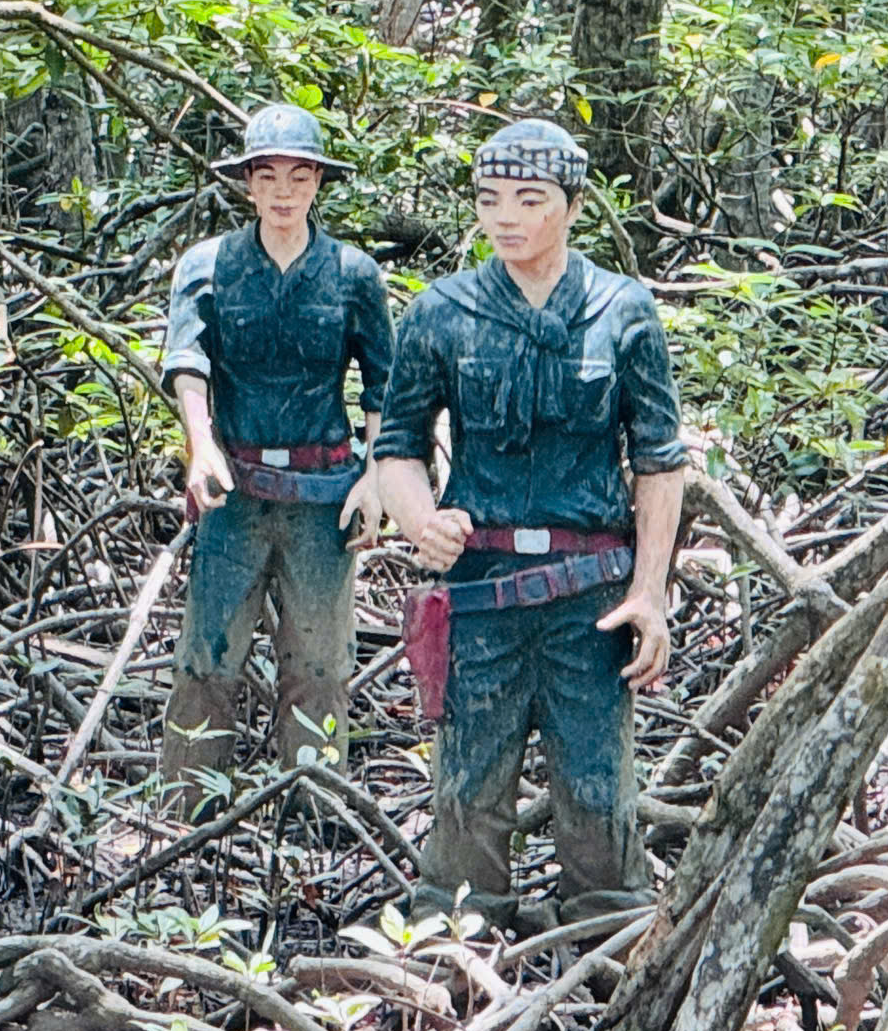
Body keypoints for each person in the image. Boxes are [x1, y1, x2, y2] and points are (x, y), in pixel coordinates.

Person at [373, 120, 686, 930]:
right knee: (468, 786)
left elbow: (658, 461)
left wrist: (649, 592)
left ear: (572, 206)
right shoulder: (443, 313)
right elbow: (396, 446)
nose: (506, 217)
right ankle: (456, 955)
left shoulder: (625, 312)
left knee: (596, 786)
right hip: (481, 590)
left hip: (593, 595)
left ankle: (609, 951)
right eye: (490, 200)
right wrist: (417, 518)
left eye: (529, 199)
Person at [159, 103, 395, 808]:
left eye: (300, 176)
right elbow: (186, 361)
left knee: (320, 665)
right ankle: (187, 819)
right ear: (248, 184)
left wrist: (377, 475)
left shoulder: (354, 275)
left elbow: (384, 384)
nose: (284, 192)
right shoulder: (210, 266)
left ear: (319, 182)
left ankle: (316, 816)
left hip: (323, 498)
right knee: (207, 659)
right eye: (269, 177)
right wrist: (200, 446)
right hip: (234, 495)